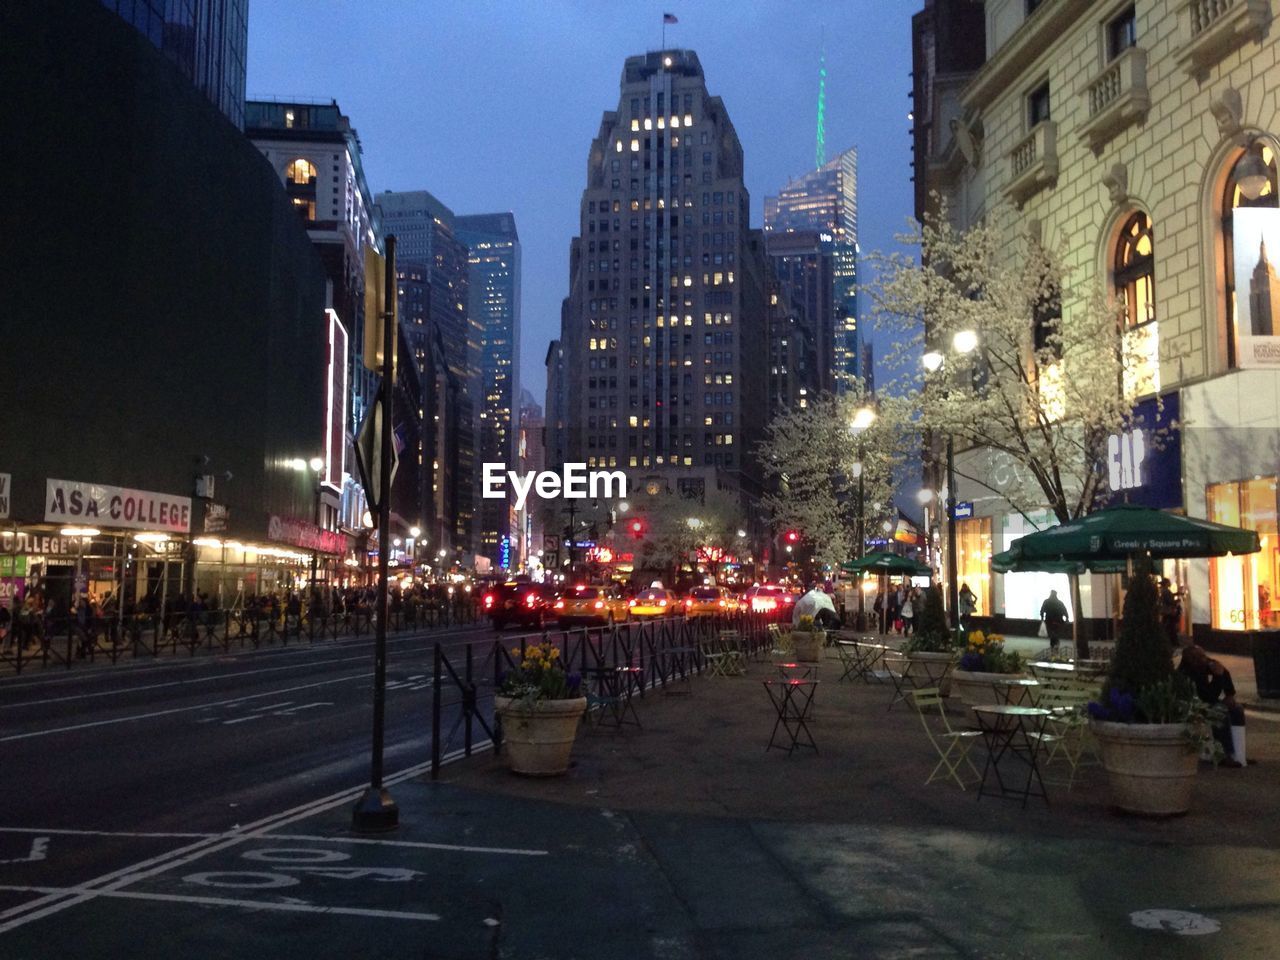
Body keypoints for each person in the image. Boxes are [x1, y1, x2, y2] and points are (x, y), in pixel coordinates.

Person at [1178, 645, 1246, 767]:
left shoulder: (1202, 665)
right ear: (1193, 660)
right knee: (1219, 712)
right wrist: (1217, 677)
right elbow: (1209, 696)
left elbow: (1223, 670)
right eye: (1202, 657)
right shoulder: (1187, 674)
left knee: (1237, 710)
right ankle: (1224, 754)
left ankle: (1239, 754)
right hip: (1192, 705)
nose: (1206, 659)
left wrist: (1229, 694)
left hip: (1206, 701)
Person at [1159, 578, 1182, 648]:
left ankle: (1170, 642)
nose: (1170, 583)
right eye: (1169, 582)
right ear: (1166, 583)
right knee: (1171, 627)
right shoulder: (1166, 591)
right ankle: (1174, 642)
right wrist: (1177, 601)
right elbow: (1170, 601)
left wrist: (1176, 594)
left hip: (1165, 612)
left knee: (1167, 627)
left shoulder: (1163, 590)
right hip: (1169, 612)